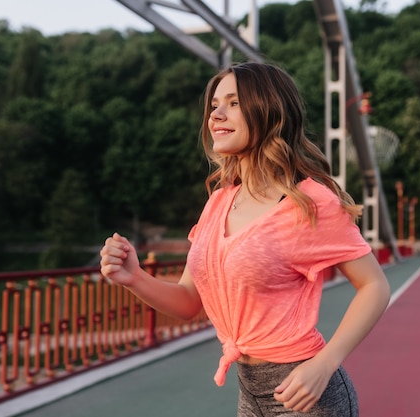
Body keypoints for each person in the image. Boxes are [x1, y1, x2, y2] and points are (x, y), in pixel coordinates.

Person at [100, 61, 391, 416]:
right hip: (249, 391)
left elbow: (374, 286)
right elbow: (190, 301)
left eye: (234, 103)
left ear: (270, 110)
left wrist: (325, 364)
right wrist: (134, 278)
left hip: (304, 393)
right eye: (214, 105)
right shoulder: (219, 202)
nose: (216, 115)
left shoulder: (309, 202)